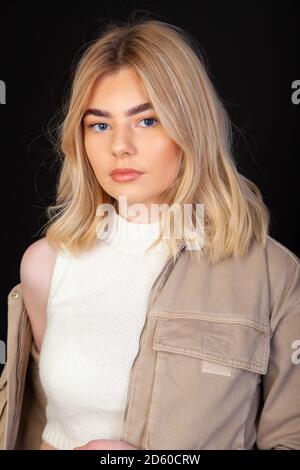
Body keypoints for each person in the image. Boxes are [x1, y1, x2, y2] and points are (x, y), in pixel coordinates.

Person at [1, 17, 299, 451]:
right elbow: (45, 427)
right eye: (99, 125)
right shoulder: (45, 265)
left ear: (189, 127)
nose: (120, 145)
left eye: (147, 121)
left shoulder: (272, 275)